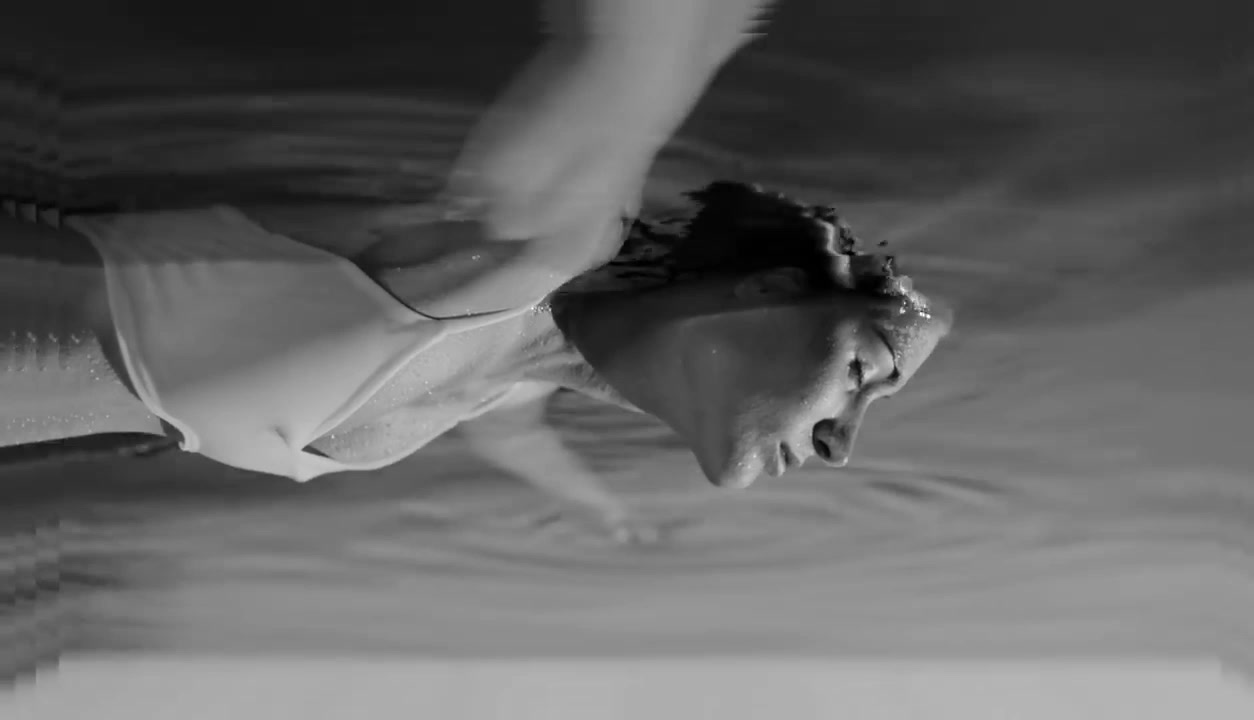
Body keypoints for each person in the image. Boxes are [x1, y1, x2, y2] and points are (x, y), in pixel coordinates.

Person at [0, 0, 950, 541]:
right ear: (770, 291)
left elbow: (516, 439)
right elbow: (639, 42)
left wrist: (604, 511)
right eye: (862, 372)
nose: (844, 444)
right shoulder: (535, 248)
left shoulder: (517, 374)